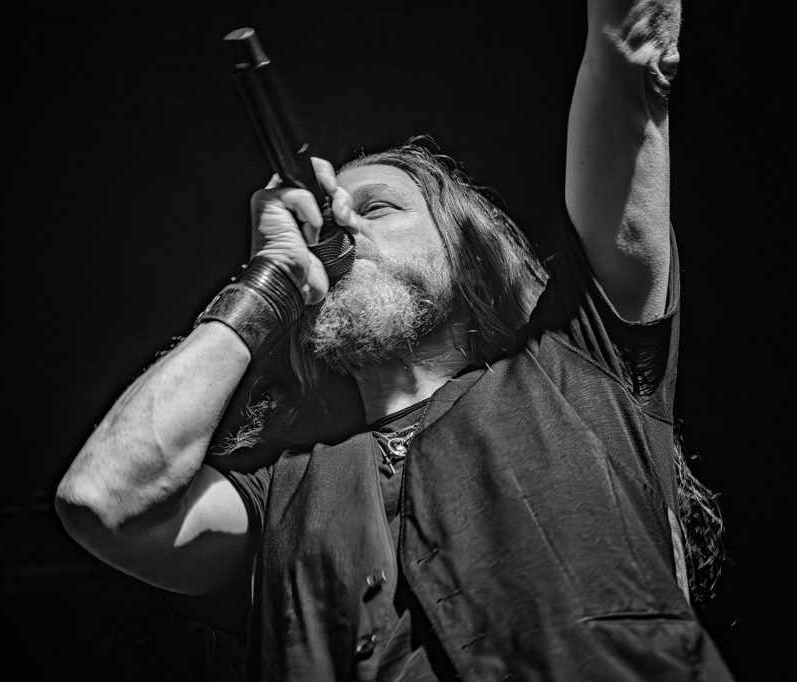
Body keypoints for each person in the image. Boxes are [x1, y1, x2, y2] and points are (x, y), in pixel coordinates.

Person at [56, 0, 733, 678]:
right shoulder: (279, 496)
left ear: (466, 254)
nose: (339, 230)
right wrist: (269, 280)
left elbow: (629, 50)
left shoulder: (578, 363)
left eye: (376, 207)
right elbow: (106, 502)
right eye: (322, 226)